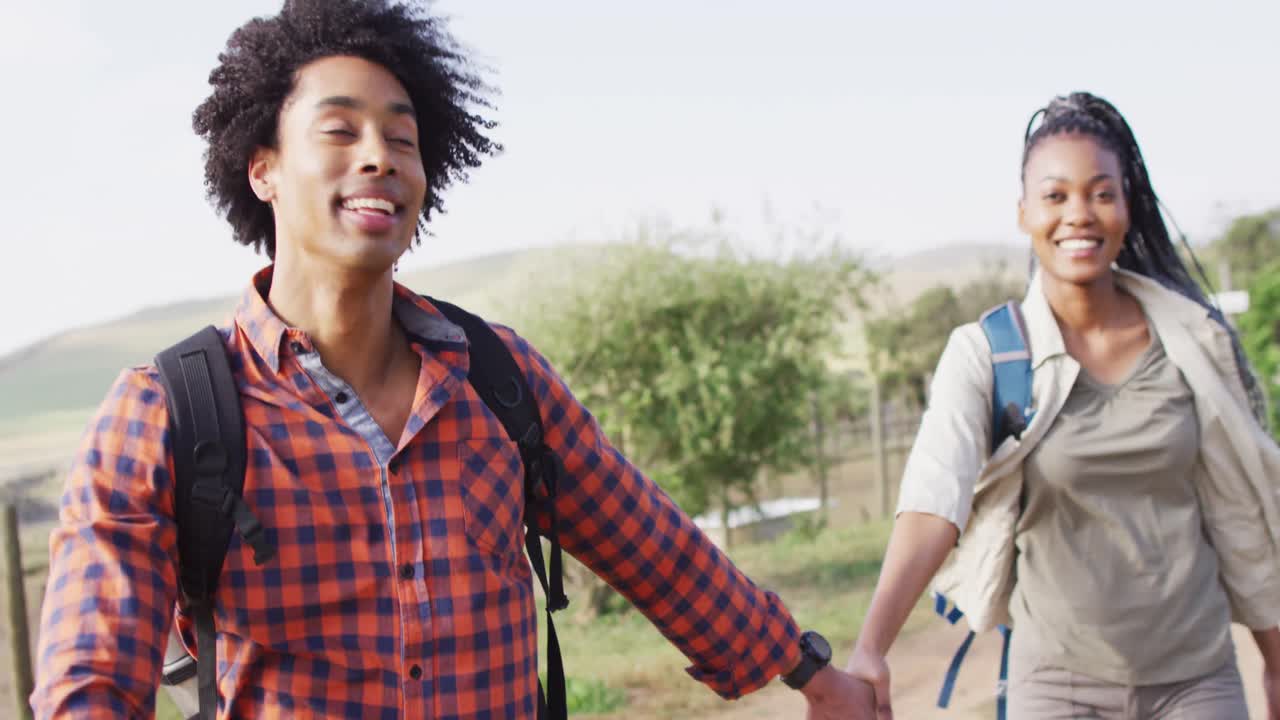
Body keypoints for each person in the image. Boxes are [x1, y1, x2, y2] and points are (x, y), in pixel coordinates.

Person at [29, 2, 872, 718]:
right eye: (339, 130)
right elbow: (89, 679)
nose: (379, 155)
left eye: (402, 137)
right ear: (263, 169)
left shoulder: (499, 379)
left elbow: (650, 546)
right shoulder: (168, 414)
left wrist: (812, 672)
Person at [843, 92, 1280, 719]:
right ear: (1024, 213)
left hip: (1197, 680)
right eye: (1055, 196)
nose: (1080, 214)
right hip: (1057, 684)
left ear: (1127, 208)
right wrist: (871, 647)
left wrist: (1276, 663)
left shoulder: (1193, 343)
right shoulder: (988, 355)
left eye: (1102, 193)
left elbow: (1239, 514)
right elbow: (933, 500)